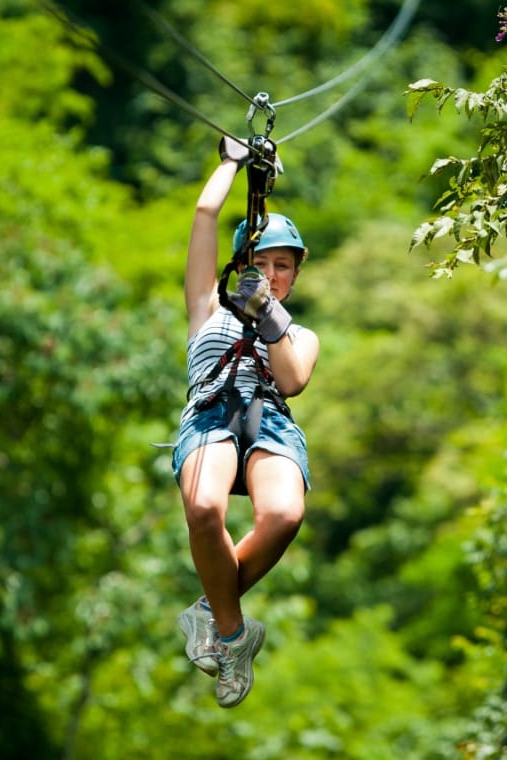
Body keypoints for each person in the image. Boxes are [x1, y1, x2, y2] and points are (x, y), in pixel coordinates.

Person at [172, 136, 320, 708]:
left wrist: (269, 315)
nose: (272, 273)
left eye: (283, 266)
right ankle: (234, 635)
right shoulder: (206, 306)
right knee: (205, 509)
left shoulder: (300, 333)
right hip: (211, 412)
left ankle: (212, 610)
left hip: (270, 422)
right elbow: (206, 214)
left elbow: (292, 381)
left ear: (294, 277)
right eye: (260, 263)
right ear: (240, 266)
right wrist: (233, 164)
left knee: (284, 513)